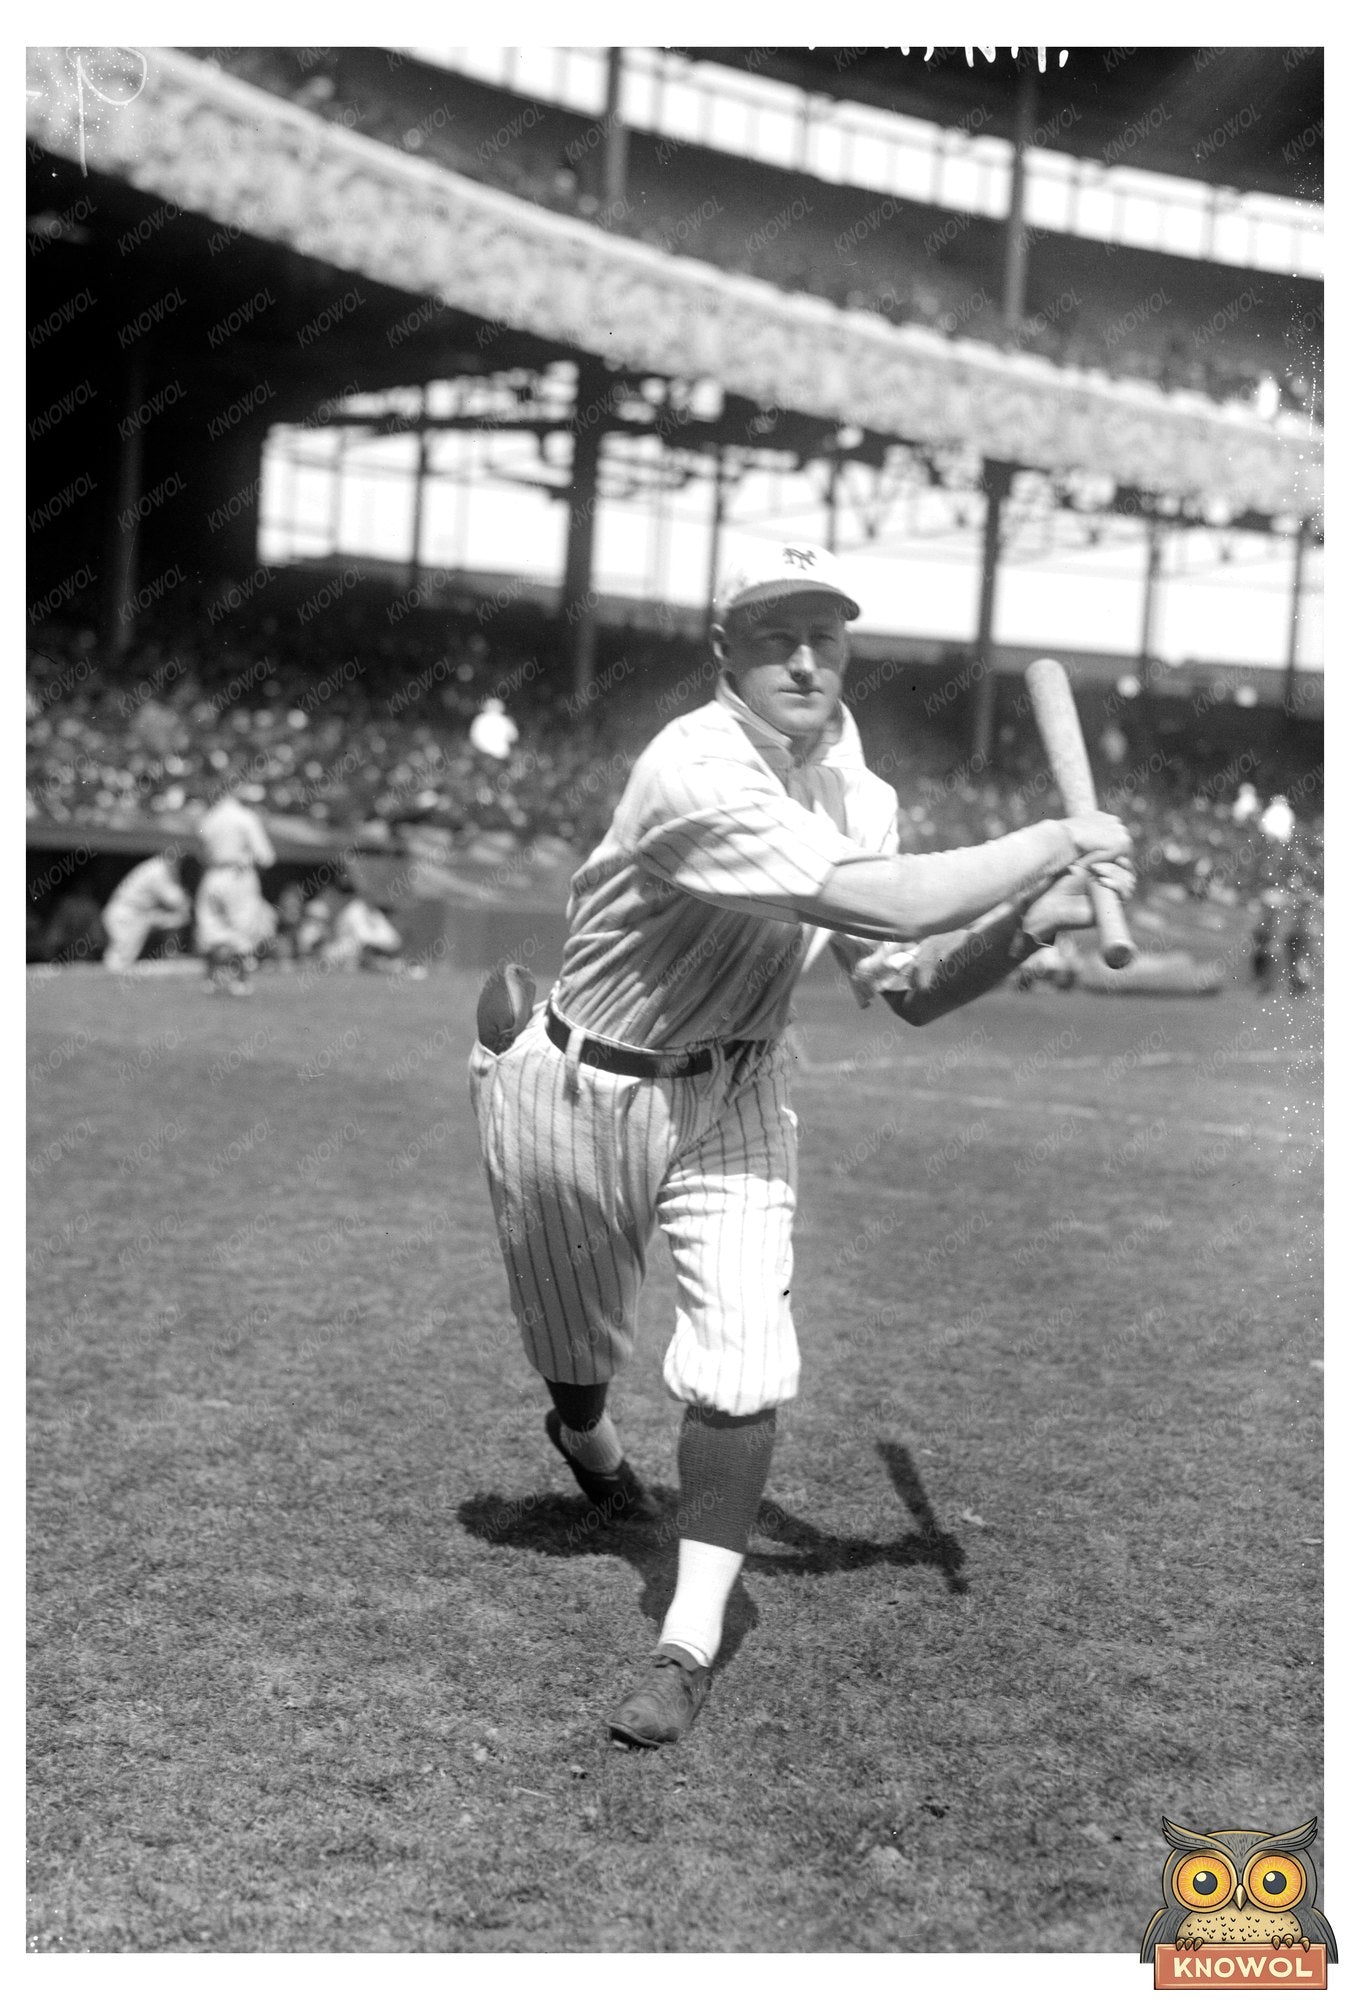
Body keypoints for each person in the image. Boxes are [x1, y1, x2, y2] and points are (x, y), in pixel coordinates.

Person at [468, 543, 1133, 1750]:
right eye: (775, 631)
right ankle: (585, 1437)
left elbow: (913, 979)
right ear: (724, 648)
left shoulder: (861, 793)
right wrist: (1050, 839)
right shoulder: (691, 765)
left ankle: (689, 1635)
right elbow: (883, 902)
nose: (804, 654)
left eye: (826, 632)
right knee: (572, 1344)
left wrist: (1043, 915)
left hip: (733, 1092)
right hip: (577, 1079)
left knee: (743, 1359)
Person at [194, 789, 277, 995]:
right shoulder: (246, 817)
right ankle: (240, 982)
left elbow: (200, 851)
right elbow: (265, 856)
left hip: (212, 875)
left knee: (210, 925)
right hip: (238, 875)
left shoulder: (209, 817)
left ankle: (210, 981)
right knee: (242, 928)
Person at [101, 851, 191, 972]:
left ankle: (171, 953)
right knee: (121, 960)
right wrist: (188, 904)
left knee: (178, 919)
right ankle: (108, 985)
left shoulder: (159, 867)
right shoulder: (157, 870)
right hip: (127, 914)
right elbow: (176, 900)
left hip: (138, 914)